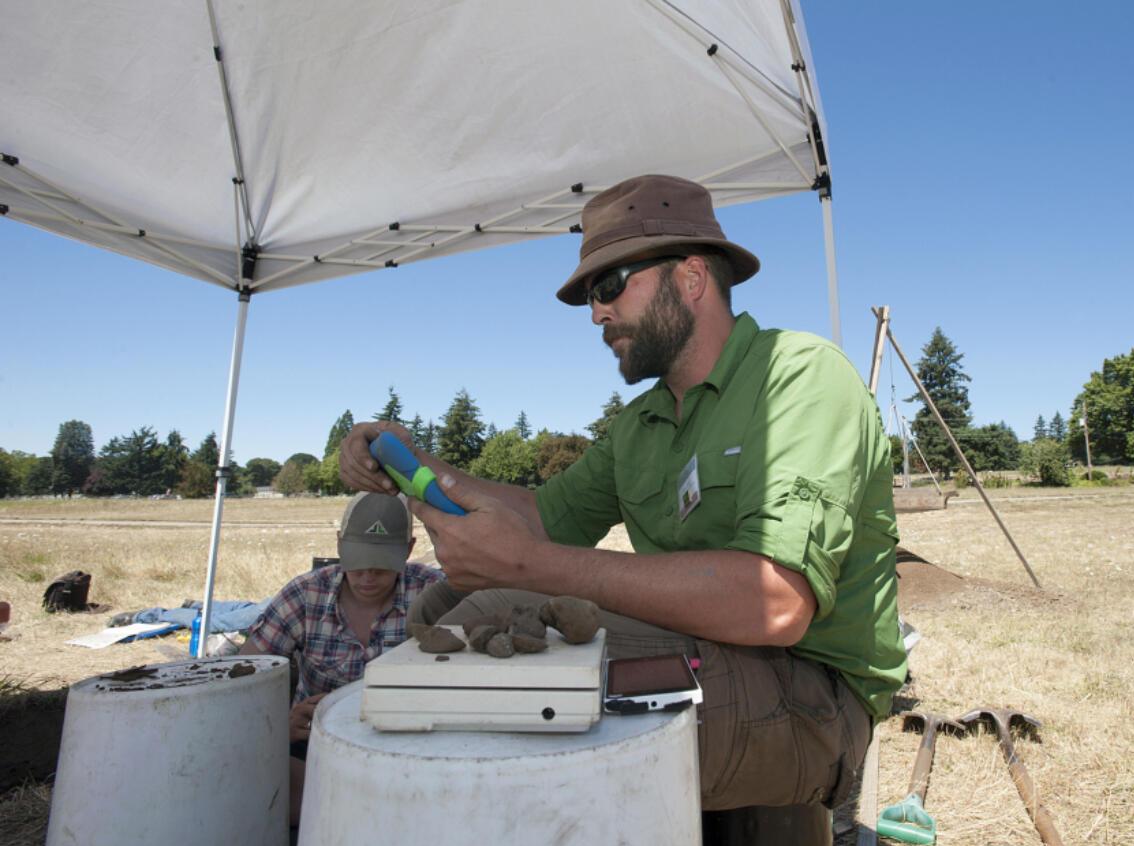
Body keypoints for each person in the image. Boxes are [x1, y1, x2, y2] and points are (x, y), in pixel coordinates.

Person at [339, 174, 906, 811]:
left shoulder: (799, 377)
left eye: (609, 286)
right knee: (442, 604)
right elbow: (543, 518)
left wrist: (531, 566)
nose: (597, 313)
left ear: (691, 279)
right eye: (591, 295)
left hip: (809, 694)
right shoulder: (641, 424)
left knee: (483, 631)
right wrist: (410, 460)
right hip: (708, 655)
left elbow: (775, 603)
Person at [240, 491, 443, 824]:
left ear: (408, 550)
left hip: (405, 747)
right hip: (314, 751)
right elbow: (246, 679)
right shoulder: (304, 596)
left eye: (381, 565)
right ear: (339, 545)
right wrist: (279, 727)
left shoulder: (433, 593)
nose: (366, 576)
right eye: (357, 560)